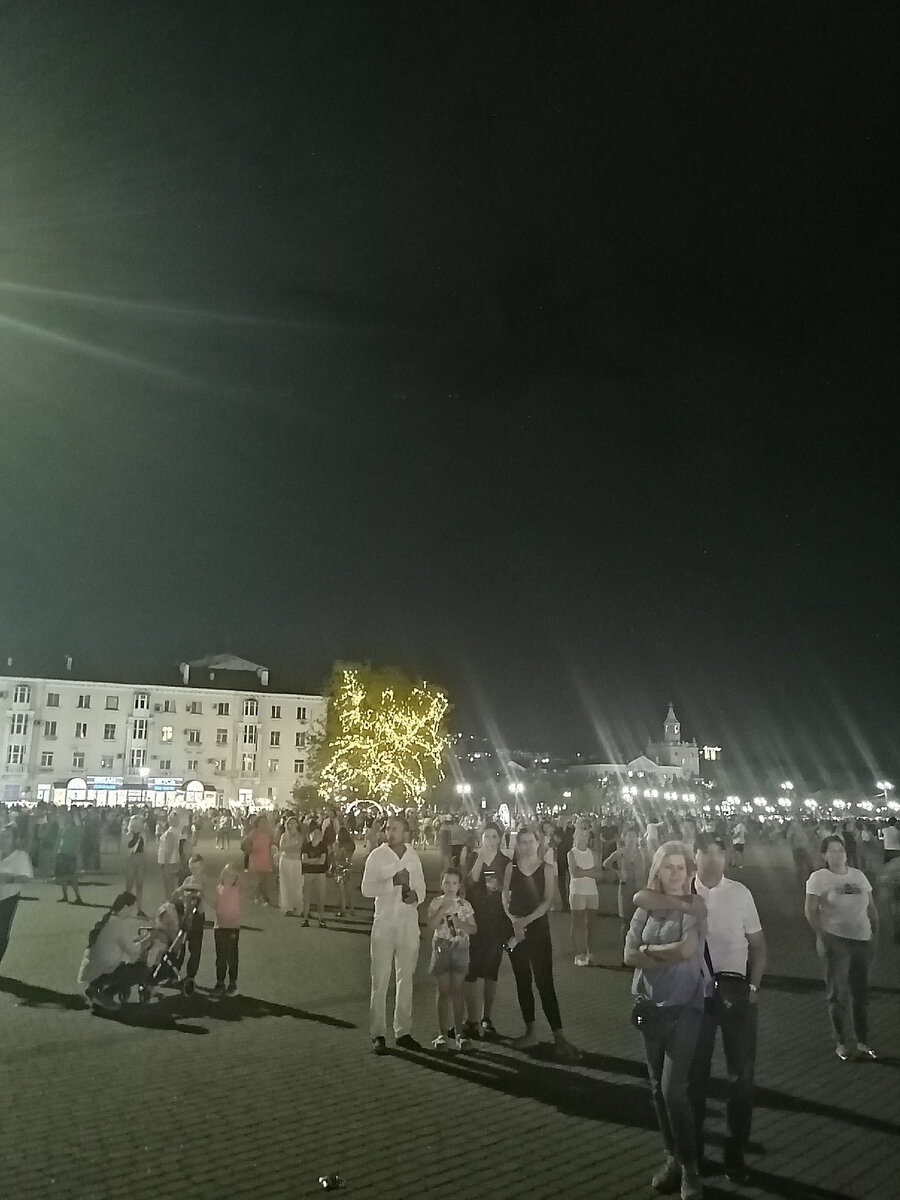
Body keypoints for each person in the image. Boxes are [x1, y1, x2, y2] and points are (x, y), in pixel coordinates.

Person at [636, 832, 766, 1184]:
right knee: (694, 1080)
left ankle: (735, 1154)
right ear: (695, 857)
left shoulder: (740, 893)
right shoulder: (683, 891)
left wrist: (753, 987)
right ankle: (689, 1156)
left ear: (726, 856)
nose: (712, 859)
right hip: (697, 998)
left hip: (736, 995)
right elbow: (642, 896)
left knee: (741, 1078)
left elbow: (758, 944)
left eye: (718, 852)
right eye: (705, 852)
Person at [624, 842, 707, 1200]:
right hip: (650, 1005)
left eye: (680, 867)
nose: (674, 874)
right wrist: (660, 955)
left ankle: (690, 1169)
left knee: (674, 1089)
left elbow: (687, 950)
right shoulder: (645, 908)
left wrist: (647, 951)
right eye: (668, 867)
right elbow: (627, 955)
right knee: (657, 1087)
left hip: (685, 1005)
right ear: (657, 870)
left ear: (689, 872)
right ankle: (671, 1156)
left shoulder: (693, 907)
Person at [501, 826, 578, 1061]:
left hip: (537, 930)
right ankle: (531, 1031)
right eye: (522, 842)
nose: (526, 846)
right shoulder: (511, 868)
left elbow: (547, 902)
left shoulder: (547, 868)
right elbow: (504, 896)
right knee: (522, 981)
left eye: (530, 841)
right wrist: (513, 921)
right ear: (518, 844)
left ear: (538, 843)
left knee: (545, 982)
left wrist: (525, 921)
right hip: (515, 930)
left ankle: (559, 1034)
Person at [805, 834, 879, 1061]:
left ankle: (862, 1041)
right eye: (832, 850)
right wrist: (822, 935)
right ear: (824, 855)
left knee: (861, 993)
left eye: (841, 850)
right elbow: (810, 910)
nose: (838, 854)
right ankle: (841, 1042)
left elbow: (871, 907)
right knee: (838, 994)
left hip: (862, 939)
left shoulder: (858, 876)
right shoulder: (818, 878)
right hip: (836, 940)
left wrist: (875, 932)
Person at [361, 815, 426, 1054]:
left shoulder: (413, 856)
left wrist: (417, 896)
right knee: (380, 980)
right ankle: (378, 1032)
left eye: (395, 829)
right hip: (385, 924)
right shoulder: (377, 856)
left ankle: (403, 1031)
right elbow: (366, 889)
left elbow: (421, 886)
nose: (390, 832)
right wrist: (392, 882)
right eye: (388, 828)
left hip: (407, 923)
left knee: (405, 979)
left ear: (405, 832)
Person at [462, 822, 511, 1040]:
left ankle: (486, 1016)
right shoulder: (474, 857)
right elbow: (470, 882)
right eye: (486, 836)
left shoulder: (505, 862)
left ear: (499, 839)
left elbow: (507, 890)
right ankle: (471, 1018)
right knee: (471, 970)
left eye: (494, 836)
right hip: (475, 919)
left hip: (496, 921)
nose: (490, 840)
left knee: (491, 971)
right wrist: (481, 858)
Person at [427, 867, 477, 1050]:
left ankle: (459, 1033)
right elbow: (431, 924)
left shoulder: (465, 905)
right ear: (441, 884)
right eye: (447, 882)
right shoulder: (436, 902)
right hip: (442, 948)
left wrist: (461, 924)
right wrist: (443, 909)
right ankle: (442, 1034)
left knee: (457, 991)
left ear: (459, 885)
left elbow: (474, 929)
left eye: (454, 883)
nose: (450, 886)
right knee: (443, 991)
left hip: (460, 948)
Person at [77, 892, 152, 1008]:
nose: (132, 912)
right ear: (126, 907)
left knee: (120, 965)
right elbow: (132, 950)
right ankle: (105, 994)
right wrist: (148, 939)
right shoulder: (118, 924)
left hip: (90, 968)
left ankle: (95, 987)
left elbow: (118, 940)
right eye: (132, 908)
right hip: (104, 969)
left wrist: (139, 939)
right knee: (141, 970)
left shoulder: (107, 919)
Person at [603, 826, 646, 945]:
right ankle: (625, 949)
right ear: (625, 838)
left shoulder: (641, 853)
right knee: (626, 922)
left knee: (639, 920)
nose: (631, 839)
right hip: (625, 888)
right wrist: (618, 873)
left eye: (634, 836)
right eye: (629, 836)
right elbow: (606, 863)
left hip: (639, 888)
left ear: (637, 838)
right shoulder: (620, 852)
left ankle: (637, 948)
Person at [567, 817, 600, 965]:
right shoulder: (571, 853)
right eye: (581, 835)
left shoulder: (593, 853)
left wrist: (585, 872)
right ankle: (578, 954)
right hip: (577, 891)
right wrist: (590, 871)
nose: (584, 839)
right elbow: (575, 872)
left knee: (591, 924)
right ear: (576, 836)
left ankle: (589, 951)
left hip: (592, 891)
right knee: (577, 923)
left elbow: (599, 873)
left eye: (586, 836)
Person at [0, 824, 34, 967]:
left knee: (1, 932)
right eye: (2, 836)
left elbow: (27, 877)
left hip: (7, 898)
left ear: (15, 839)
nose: (3, 839)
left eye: (8, 836)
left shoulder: (21, 856)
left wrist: (10, 878)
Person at [172, 855, 206, 995]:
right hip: (185, 916)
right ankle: (174, 972)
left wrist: (193, 891)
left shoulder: (204, 880)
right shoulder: (187, 880)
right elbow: (176, 895)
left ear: (202, 867)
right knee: (179, 946)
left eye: (197, 868)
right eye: (192, 868)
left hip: (197, 917)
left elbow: (203, 893)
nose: (195, 871)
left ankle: (191, 975)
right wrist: (181, 891)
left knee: (195, 948)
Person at [213, 862, 245, 995]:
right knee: (220, 956)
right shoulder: (218, 889)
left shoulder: (237, 889)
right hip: (219, 926)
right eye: (227, 874)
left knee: (232, 956)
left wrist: (238, 873)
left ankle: (232, 982)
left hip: (233, 927)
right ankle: (220, 982)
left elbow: (245, 885)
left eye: (233, 875)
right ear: (223, 875)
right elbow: (215, 904)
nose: (230, 877)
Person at [244, 815, 276, 907]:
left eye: (265, 822)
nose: (264, 824)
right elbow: (245, 843)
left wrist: (271, 860)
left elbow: (270, 847)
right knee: (262, 881)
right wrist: (250, 849)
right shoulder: (254, 833)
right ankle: (266, 900)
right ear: (257, 823)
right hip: (256, 858)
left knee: (263, 880)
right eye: (261, 822)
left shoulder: (269, 834)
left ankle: (254, 896)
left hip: (265, 858)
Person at [55, 810, 85, 905]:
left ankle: (77, 896)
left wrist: (76, 851)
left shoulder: (74, 829)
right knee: (63, 877)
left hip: (69, 854)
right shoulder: (63, 828)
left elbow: (79, 840)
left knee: (72, 876)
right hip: (62, 853)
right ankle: (66, 896)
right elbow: (58, 840)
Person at [300, 825, 328, 926]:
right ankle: (305, 918)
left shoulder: (323, 846)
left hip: (320, 873)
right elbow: (304, 860)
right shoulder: (306, 846)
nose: (316, 836)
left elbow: (322, 861)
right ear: (310, 835)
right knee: (306, 896)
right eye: (314, 833)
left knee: (320, 896)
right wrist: (316, 859)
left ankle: (321, 918)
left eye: (318, 834)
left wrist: (310, 861)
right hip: (308, 873)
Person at [278, 816, 305, 916]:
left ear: (297, 824)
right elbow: (282, 847)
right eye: (289, 823)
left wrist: (289, 848)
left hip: (296, 861)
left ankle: (299, 907)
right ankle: (288, 907)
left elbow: (299, 847)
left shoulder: (300, 836)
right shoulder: (284, 835)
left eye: (293, 823)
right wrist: (291, 848)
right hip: (285, 861)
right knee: (286, 884)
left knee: (297, 884)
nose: (291, 825)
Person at [124, 813, 148, 917]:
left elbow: (145, 848)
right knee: (129, 885)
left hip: (140, 859)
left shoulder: (143, 835)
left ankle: (139, 908)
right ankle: (126, 907)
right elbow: (124, 850)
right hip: (131, 859)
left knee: (139, 885)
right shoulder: (128, 835)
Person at [157, 811, 182, 901]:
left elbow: (169, 849)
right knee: (171, 886)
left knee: (168, 886)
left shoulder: (170, 832)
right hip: (174, 860)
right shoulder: (176, 831)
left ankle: (169, 903)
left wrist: (166, 864)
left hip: (169, 862)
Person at [786, 819, 814, 892]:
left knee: (805, 868)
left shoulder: (798, 831)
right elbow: (791, 841)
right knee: (802, 868)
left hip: (801, 850)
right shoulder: (794, 832)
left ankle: (804, 883)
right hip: (799, 850)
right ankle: (802, 884)